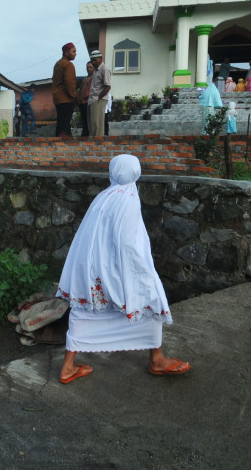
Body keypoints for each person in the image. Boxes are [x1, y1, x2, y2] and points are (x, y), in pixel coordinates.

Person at [56, 154, 190, 384]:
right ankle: (156, 359)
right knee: (152, 298)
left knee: (85, 310)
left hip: (94, 269)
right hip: (118, 266)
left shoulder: (103, 196)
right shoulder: (128, 198)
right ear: (135, 172)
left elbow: (87, 238)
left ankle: (68, 366)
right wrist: (141, 271)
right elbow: (129, 243)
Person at [52, 43, 78, 138]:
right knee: (65, 125)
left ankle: (57, 145)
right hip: (66, 98)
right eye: (73, 51)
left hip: (57, 98)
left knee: (60, 122)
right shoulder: (68, 64)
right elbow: (69, 82)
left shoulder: (57, 64)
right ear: (66, 52)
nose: (75, 54)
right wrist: (73, 96)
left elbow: (54, 80)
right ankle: (64, 147)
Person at [88, 49, 112, 137]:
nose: (93, 62)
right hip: (93, 99)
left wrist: (99, 97)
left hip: (99, 99)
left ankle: (98, 141)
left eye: (95, 59)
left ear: (101, 58)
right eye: (92, 60)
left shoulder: (104, 69)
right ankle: (94, 140)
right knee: (93, 122)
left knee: (97, 123)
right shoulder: (96, 70)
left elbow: (108, 86)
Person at [78, 60, 94, 137]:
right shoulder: (84, 78)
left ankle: (88, 134)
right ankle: (85, 134)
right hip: (82, 102)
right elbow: (81, 90)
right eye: (87, 67)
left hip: (89, 102)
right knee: (84, 120)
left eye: (90, 67)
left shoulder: (95, 78)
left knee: (89, 120)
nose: (89, 69)